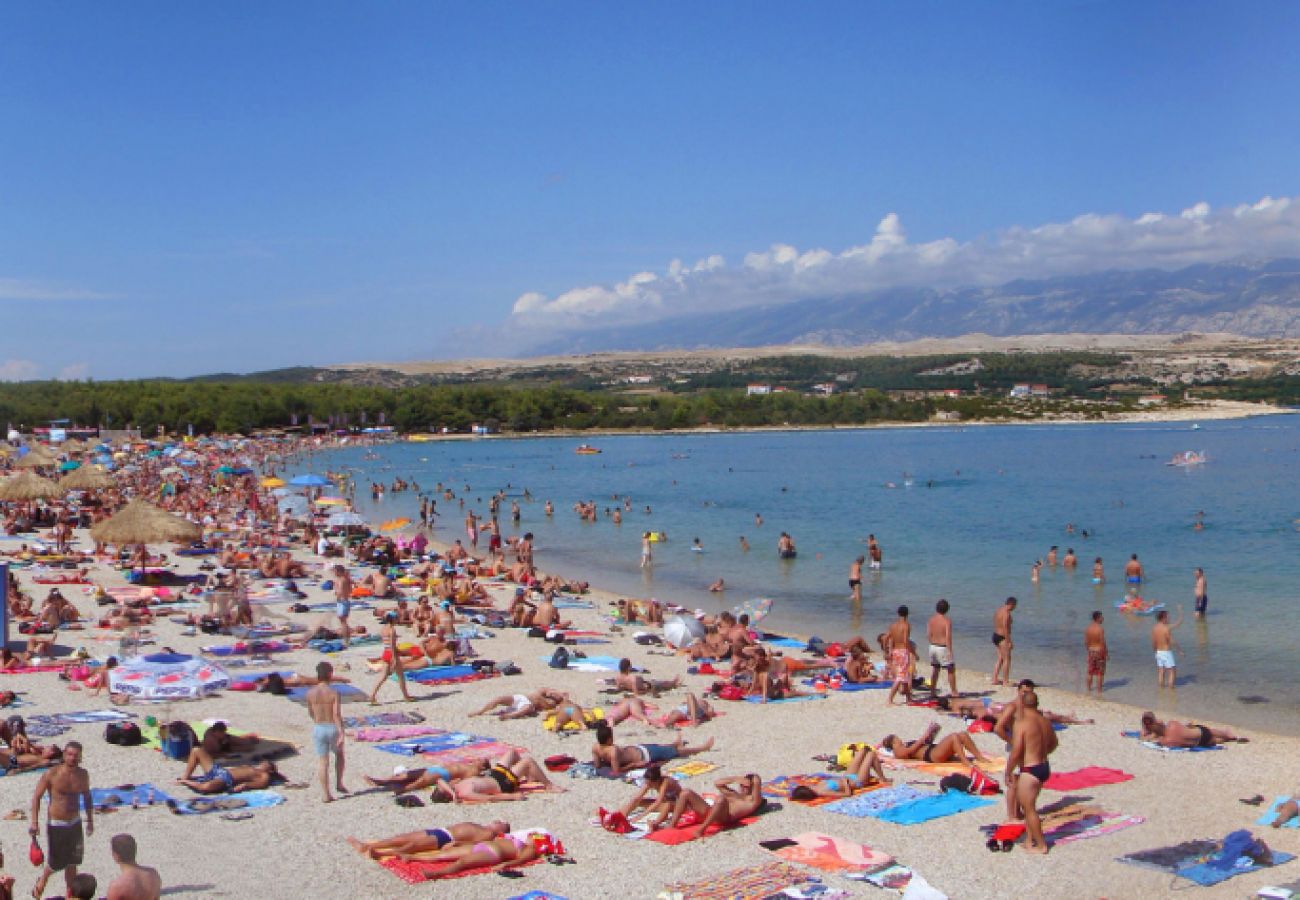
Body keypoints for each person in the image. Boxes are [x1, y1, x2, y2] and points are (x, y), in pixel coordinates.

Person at [29, 742, 93, 900]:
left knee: (73, 861)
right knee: (56, 862)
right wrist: (34, 822)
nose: (72, 758)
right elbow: (36, 797)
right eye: (70, 754)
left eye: (76, 755)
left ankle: (70, 894)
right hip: (57, 823)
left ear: (80, 756)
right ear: (64, 755)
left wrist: (90, 820)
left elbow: (87, 797)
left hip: (75, 822)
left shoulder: (83, 774)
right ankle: (41, 883)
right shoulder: (52, 773)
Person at [1007, 691, 1058, 854]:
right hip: (1044, 766)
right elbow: (1054, 743)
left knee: (1029, 809)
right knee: (1030, 806)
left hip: (1030, 770)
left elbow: (1016, 751)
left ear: (1022, 704)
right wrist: (1041, 752)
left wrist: (1008, 770)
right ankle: (1030, 841)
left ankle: (1042, 845)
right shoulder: (1045, 721)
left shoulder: (1022, 723)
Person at [590, 724, 714, 776]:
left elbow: (597, 765)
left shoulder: (596, 747)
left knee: (660, 747)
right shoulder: (613, 751)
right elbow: (616, 771)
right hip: (644, 755)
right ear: (608, 739)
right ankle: (702, 748)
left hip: (640, 749)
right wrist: (633, 765)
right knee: (676, 753)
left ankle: (675, 743)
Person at [347, 820, 511, 860]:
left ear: (501, 831)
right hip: (441, 830)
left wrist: (457, 844)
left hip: (447, 837)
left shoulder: (489, 836)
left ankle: (378, 853)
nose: (497, 821)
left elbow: (476, 845)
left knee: (412, 846)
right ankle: (368, 845)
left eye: (501, 823)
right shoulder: (483, 827)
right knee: (401, 838)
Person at [670, 774, 767, 840]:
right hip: (710, 814)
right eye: (742, 785)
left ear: (752, 787)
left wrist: (751, 780)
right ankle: (672, 825)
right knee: (686, 792)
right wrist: (735, 779)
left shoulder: (752, 801)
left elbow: (757, 781)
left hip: (723, 819)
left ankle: (701, 830)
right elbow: (717, 783)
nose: (742, 787)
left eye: (746, 786)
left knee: (721, 799)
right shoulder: (733, 794)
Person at [305, 661, 347, 802]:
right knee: (339, 755)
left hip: (319, 727)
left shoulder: (310, 693)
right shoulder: (333, 693)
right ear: (330, 674)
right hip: (332, 727)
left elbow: (310, 712)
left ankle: (325, 794)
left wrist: (317, 720)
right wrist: (341, 732)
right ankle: (339, 783)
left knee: (323, 762)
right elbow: (336, 714)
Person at [790, 745, 889, 800]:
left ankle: (863, 761)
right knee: (871, 754)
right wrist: (846, 783)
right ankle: (883, 778)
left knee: (863, 750)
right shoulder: (822, 792)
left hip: (848, 776)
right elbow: (847, 794)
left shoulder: (815, 786)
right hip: (857, 782)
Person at [176, 746, 278, 794]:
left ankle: (185, 781)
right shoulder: (254, 768)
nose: (264, 762)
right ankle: (186, 776)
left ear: (270, 770)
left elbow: (260, 784)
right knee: (196, 750)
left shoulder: (264, 775)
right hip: (220, 771)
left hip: (226, 779)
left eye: (267, 763)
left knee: (205, 788)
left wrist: (243, 786)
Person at [879, 724, 989, 765]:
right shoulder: (898, 751)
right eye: (898, 739)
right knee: (954, 737)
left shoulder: (904, 745)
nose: (900, 740)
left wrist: (931, 733)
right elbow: (910, 751)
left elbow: (919, 746)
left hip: (934, 749)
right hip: (932, 755)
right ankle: (965, 761)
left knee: (963, 735)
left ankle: (979, 756)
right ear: (893, 743)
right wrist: (924, 736)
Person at [369, 612, 413, 705]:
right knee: (400, 676)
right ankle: (406, 696)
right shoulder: (392, 630)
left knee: (383, 676)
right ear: (393, 619)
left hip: (385, 652)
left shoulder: (383, 629)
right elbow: (392, 646)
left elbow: (387, 644)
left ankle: (372, 695)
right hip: (392, 653)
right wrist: (395, 658)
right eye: (396, 618)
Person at [1138, 712, 1247, 748]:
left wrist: (1148, 733)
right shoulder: (1172, 724)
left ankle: (1226, 739)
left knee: (1215, 741)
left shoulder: (1165, 741)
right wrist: (1188, 726)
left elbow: (1145, 737)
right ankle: (1227, 734)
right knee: (1211, 731)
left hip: (1199, 744)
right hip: (1201, 733)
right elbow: (1159, 725)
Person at [926, 599, 957, 697]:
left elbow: (928, 635)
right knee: (951, 669)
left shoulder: (931, 620)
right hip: (942, 647)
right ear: (947, 609)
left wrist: (932, 642)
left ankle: (932, 691)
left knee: (935, 669)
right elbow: (948, 637)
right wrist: (950, 651)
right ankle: (954, 691)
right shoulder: (947, 621)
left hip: (932, 646)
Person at [885, 605, 913, 705]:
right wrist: (914, 652)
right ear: (907, 614)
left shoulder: (893, 626)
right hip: (903, 651)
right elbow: (906, 641)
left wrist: (886, 650)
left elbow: (885, 638)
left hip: (895, 651)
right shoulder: (906, 625)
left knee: (904, 675)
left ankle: (908, 698)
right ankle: (890, 699)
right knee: (901, 677)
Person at [1151, 608, 1184, 688]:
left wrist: (1155, 651)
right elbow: (1172, 641)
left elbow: (1153, 642)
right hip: (1166, 652)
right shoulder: (1166, 629)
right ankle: (1171, 690)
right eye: (1168, 617)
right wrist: (1180, 650)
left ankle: (1161, 688)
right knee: (1172, 670)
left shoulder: (1154, 628)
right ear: (1163, 618)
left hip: (1158, 652)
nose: (1169, 618)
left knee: (1161, 671)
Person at [615, 658, 680, 697]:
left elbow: (618, 689)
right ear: (628, 668)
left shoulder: (618, 678)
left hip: (643, 684)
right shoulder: (632, 678)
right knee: (661, 684)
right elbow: (636, 693)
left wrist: (626, 689)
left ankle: (673, 683)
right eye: (630, 666)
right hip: (647, 686)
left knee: (658, 682)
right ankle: (673, 683)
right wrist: (647, 690)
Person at [992, 597, 1016, 685]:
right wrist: (1009, 641)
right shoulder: (1006, 613)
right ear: (1011, 604)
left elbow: (995, 620)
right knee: (1007, 659)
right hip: (1002, 637)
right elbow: (1005, 627)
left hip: (995, 635)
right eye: (1014, 606)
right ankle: (1005, 681)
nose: (1014, 608)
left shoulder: (999, 610)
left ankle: (994, 678)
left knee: (1000, 658)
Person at [1084, 610, 1108, 693]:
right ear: (1097, 618)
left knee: (1090, 672)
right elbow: (1103, 643)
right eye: (1101, 617)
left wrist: (1089, 650)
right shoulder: (1100, 629)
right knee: (1100, 673)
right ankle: (1099, 691)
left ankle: (1088, 690)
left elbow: (1086, 642)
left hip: (1091, 651)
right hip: (1099, 651)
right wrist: (1106, 654)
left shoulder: (1088, 629)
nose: (1103, 618)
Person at [331, 565, 353, 648]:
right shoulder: (347, 580)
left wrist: (337, 597)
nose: (334, 573)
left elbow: (340, 591)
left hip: (342, 602)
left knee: (343, 622)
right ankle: (347, 639)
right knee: (344, 622)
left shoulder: (341, 580)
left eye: (335, 571)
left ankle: (346, 640)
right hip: (346, 601)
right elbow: (350, 590)